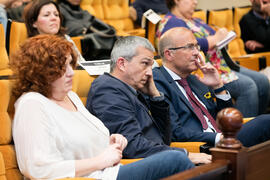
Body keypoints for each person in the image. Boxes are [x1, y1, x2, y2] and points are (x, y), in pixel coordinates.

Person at [11, 34, 195, 180]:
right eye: (62, 67)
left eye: (71, 65)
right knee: (176, 160)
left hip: (108, 172)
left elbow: (77, 143)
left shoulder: (71, 97)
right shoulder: (32, 104)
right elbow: (38, 169)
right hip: (95, 177)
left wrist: (111, 141)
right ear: (41, 71)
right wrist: (100, 161)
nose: (70, 73)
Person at [86, 35, 211, 164]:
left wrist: (155, 97)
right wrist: (185, 155)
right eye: (145, 64)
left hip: (158, 159)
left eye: (151, 66)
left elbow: (165, 138)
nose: (150, 73)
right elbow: (132, 146)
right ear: (122, 64)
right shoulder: (107, 90)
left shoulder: (132, 89)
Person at [153, 27, 270, 147]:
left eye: (196, 46)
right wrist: (219, 138)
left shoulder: (195, 79)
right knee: (266, 122)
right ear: (169, 54)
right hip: (203, 145)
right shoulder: (158, 83)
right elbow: (175, 132)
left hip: (223, 138)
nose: (196, 52)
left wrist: (218, 87)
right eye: (189, 47)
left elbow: (223, 117)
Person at [156, 0, 270, 117]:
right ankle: (239, 131)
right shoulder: (171, 22)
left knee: (262, 80)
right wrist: (215, 38)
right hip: (202, 69)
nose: (195, 2)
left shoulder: (196, 20)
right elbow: (188, 45)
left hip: (223, 64)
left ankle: (257, 124)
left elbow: (215, 37)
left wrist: (222, 36)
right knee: (248, 87)